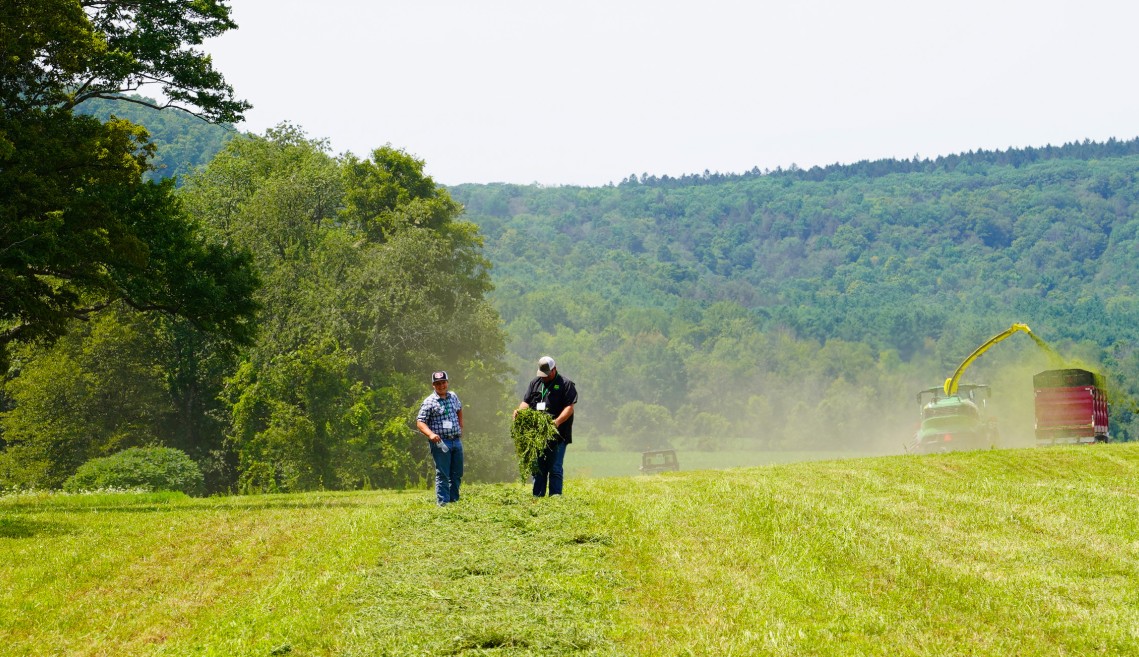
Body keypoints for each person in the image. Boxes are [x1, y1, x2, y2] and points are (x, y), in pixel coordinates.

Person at [514, 356, 578, 497]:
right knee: (538, 467)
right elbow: (526, 402)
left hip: (558, 434)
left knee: (555, 467)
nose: (544, 378)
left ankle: (555, 497)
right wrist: (519, 411)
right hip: (538, 434)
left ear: (554, 370)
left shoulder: (566, 384)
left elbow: (569, 407)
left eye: (547, 375)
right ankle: (538, 496)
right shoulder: (535, 383)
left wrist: (556, 422)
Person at [416, 370, 464, 506]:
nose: (441, 386)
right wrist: (431, 434)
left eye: (443, 382)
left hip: (456, 440)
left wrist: (461, 425)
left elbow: (459, 409)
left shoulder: (453, 396)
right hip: (441, 442)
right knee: (443, 474)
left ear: (447, 382)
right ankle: (443, 504)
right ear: (433, 385)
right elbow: (420, 422)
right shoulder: (429, 402)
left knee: (457, 473)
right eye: (437, 383)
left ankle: (454, 501)